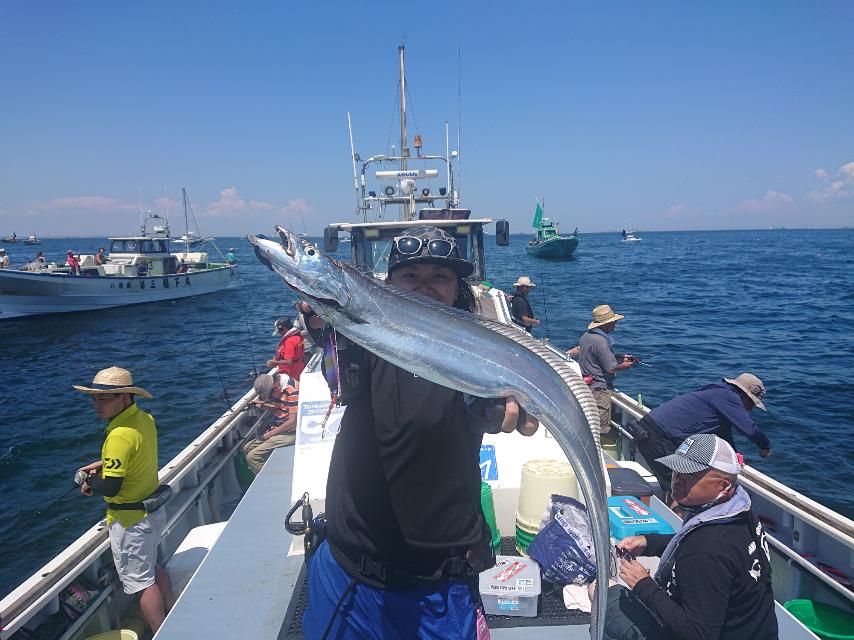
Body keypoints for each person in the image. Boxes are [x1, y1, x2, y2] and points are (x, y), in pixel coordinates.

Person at [303, 225, 540, 639]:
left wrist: (502, 408)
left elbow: (486, 405)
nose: (425, 288)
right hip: (349, 572)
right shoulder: (363, 341)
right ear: (388, 284)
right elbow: (337, 372)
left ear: (456, 290)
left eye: (440, 278)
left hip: (439, 587)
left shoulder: (477, 356)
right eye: (410, 276)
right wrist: (320, 320)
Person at [591, 434, 777, 640]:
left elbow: (698, 635)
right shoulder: (739, 512)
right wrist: (648, 542)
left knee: (600, 593)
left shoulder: (707, 549)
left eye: (690, 476)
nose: (677, 480)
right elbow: (689, 544)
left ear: (723, 486)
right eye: (676, 470)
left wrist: (642, 583)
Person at [73, 367, 175, 633]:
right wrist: (100, 465)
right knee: (151, 567)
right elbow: (131, 455)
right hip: (152, 511)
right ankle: (173, 607)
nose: (97, 404)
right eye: (94, 398)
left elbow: (112, 485)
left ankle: (162, 631)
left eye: (104, 398)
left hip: (131, 521)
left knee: (142, 583)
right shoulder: (143, 419)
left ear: (125, 397)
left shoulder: (117, 435)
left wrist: (89, 482)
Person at [628, 373, 772, 496]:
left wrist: (733, 455)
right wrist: (765, 446)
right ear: (746, 396)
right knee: (681, 489)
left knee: (678, 484)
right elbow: (749, 428)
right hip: (658, 437)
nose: (751, 409)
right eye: (752, 404)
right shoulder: (729, 397)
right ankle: (684, 527)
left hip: (649, 431)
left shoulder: (718, 392)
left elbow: (723, 433)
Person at [578, 304, 636, 441]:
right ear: (607, 324)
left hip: (588, 385)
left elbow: (596, 358)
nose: (615, 325)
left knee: (589, 422)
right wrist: (627, 365)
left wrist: (618, 357)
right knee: (600, 428)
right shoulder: (601, 342)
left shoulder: (586, 336)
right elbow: (611, 368)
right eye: (614, 322)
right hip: (599, 389)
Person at [243, 373, 299, 474]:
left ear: (275, 387)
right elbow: (279, 408)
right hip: (279, 428)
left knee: (253, 457)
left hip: (291, 432)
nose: (269, 398)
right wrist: (264, 405)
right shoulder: (280, 386)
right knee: (247, 447)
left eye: (269, 395)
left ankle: (274, 479)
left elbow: (292, 421)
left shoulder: (292, 390)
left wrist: (269, 434)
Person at [266, 316, 306, 381]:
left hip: (290, 374)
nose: (279, 333)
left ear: (284, 328)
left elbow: (289, 361)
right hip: (299, 368)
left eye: (279, 331)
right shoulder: (297, 335)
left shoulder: (289, 341)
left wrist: (274, 362)